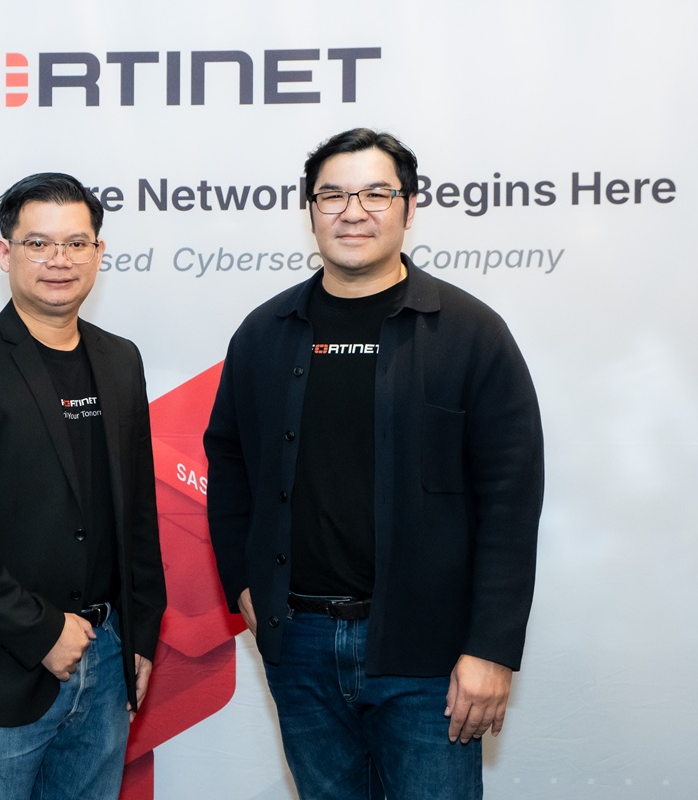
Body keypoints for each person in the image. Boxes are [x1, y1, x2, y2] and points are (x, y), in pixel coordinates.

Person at [203, 129, 544, 800]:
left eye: (375, 194)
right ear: (310, 210)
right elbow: (231, 461)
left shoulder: (470, 333)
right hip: (300, 645)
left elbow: (510, 497)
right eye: (332, 195)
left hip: (431, 652)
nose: (352, 212)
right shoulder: (265, 333)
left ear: (409, 208)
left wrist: (492, 648)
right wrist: (243, 583)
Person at [0, 172, 166, 799]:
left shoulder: (121, 359)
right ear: (6, 253)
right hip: (1, 663)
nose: (60, 260)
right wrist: (42, 631)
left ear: (99, 252)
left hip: (108, 660)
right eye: (39, 243)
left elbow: (137, 513)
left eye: (77, 243)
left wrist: (140, 634)